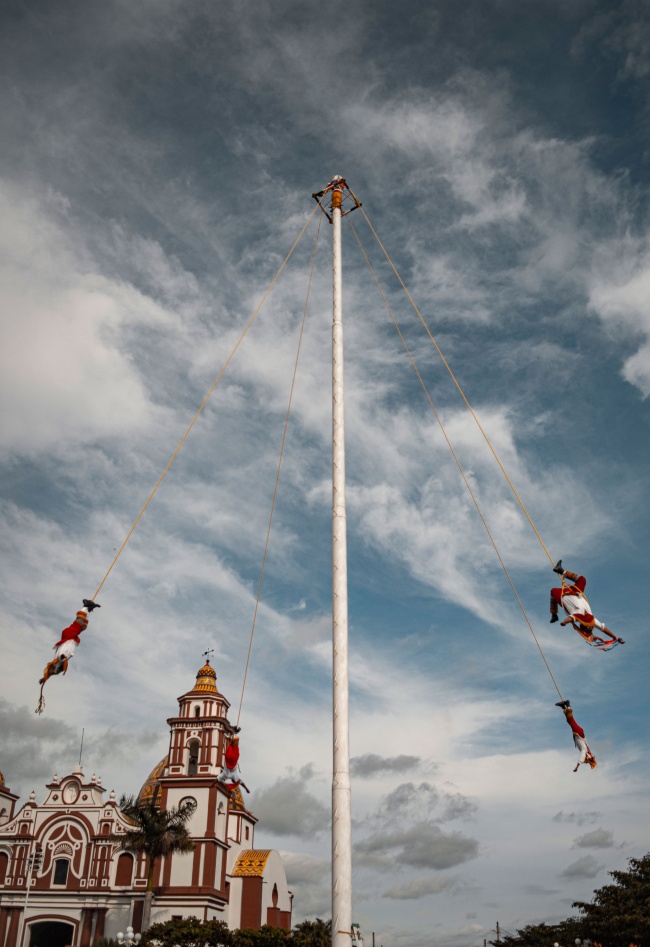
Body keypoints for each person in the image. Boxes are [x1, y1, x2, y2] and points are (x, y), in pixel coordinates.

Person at [550, 561, 624, 645]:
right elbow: (603, 629)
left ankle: (554, 614)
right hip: (576, 591)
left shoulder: (578, 616)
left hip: (564, 595)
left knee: (553, 591)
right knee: (582, 579)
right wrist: (615, 637)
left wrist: (564, 622)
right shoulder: (592, 620)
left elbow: (570, 619)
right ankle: (561, 570)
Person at [39, 600, 100, 685]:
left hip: (68, 637)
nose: (52, 670)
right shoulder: (61, 662)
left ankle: (85, 607)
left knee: (78, 623)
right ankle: (88, 609)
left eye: (51, 669)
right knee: (82, 626)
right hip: (70, 638)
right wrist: (44, 679)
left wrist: (62, 657)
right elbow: (53, 672)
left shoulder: (59, 659)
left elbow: (59, 661)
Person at [556, 700, 597, 772]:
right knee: (571, 721)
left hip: (579, 733)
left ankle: (563, 706)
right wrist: (577, 767)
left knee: (569, 721)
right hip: (579, 732)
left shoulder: (586, 750)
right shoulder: (585, 750)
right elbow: (581, 758)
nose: (585, 759)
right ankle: (568, 704)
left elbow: (588, 757)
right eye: (586, 759)